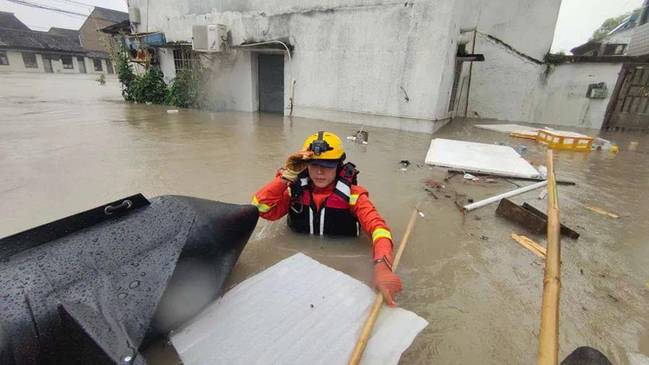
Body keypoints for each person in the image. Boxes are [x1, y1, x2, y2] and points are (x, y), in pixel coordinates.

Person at [252, 131, 402, 306]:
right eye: (314, 165)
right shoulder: (294, 190)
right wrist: (285, 177)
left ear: (339, 165)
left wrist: (382, 266)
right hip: (300, 267)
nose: (320, 172)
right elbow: (261, 208)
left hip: (342, 270)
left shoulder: (354, 196)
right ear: (304, 165)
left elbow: (379, 230)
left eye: (328, 166)